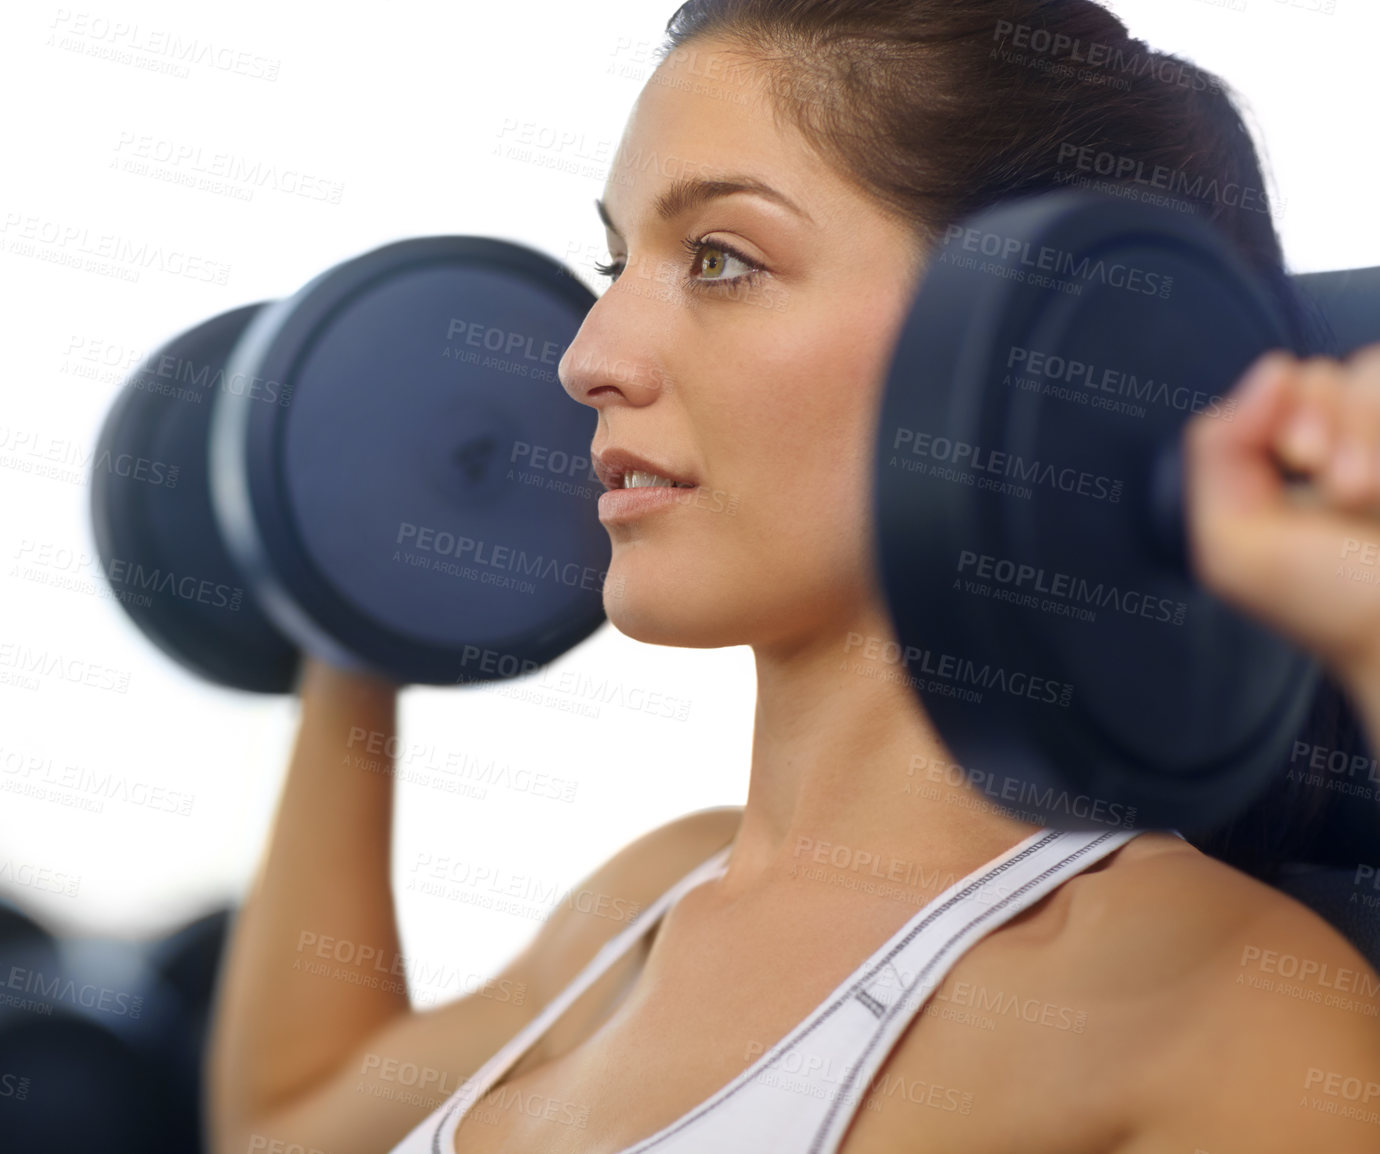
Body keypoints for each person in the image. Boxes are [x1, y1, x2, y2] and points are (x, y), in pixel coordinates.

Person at [209, 2, 1380, 1151]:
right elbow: (284, 1126)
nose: (586, 357)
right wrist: (352, 597)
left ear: (1047, 349)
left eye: (719, 258)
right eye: (616, 261)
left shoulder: (1197, 1003)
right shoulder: (646, 906)